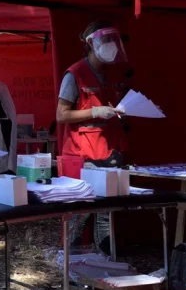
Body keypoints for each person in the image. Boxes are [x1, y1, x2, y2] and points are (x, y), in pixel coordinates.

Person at [56, 20, 132, 252]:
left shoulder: (113, 73)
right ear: (91, 44)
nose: (111, 45)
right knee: (80, 216)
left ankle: (106, 265)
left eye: (113, 40)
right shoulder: (75, 74)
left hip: (110, 152)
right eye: (106, 40)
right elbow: (61, 115)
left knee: (106, 214)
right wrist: (95, 111)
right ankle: (73, 264)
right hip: (83, 155)